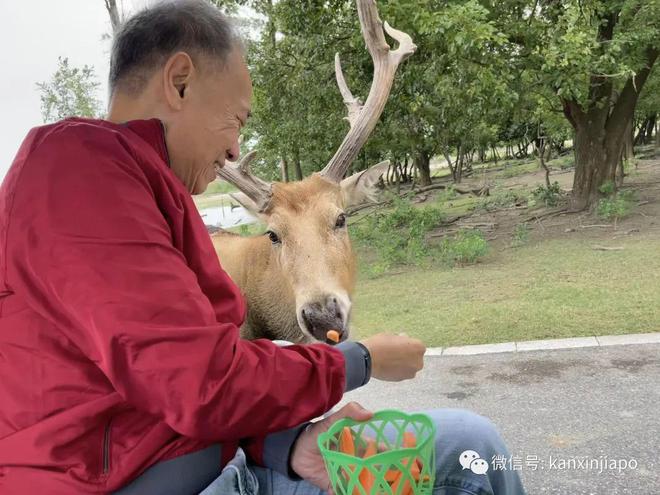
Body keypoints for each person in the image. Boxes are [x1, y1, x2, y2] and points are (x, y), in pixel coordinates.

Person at [0, 1, 525, 494]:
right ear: (179, 83)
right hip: (158, 480)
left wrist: (282, 443)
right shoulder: (80, 172)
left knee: (468, 443)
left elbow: (160, 383)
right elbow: (198, 384)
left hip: (212, 458)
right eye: (236, 119)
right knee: (467, 450)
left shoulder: (145, 190)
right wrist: (357, 361)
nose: (234, 149)